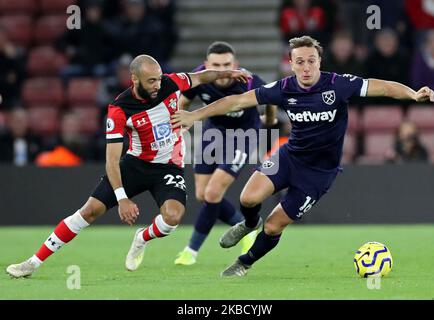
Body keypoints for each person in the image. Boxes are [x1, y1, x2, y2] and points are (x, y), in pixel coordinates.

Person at [171, 36, 434, 277]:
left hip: (318, 173)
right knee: (247, 198)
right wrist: (195, 115)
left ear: (319, 61)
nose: (306, 67)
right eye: (300, 62)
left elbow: (384, 87)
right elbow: (237, 101)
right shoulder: (284, 88)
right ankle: (249, 223)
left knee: (275, 226)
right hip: (289, 156)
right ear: (291, 64)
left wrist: (412, 94)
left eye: (311, 61)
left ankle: (245, 261)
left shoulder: (338, 85)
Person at [6, 54, 251, 278]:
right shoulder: (119, 109)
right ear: (135, 79)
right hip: (135, 165)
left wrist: (226, 74)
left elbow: (200, 77)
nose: (157, 85)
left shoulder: (171, 82)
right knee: (89, 211)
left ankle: (142, 237)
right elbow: (112, 160)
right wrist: (122, 198)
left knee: (173, 217)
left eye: (158, 79)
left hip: (168, 167)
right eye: (151, 81)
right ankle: (33, 262)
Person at [173, 41, 277, 266]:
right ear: (206, 65)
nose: (222, 71)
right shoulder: (199, 78)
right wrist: (182, 120)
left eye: (227, 64)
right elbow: (184, 100)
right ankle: (246, 228)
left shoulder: (248, 80)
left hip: (243, 136)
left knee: (212, 193)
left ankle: (191, 251)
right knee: (202, 194)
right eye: (216, 65)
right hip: (212, 134)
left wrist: (269, 121)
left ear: (235, 64)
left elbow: (271, 97)